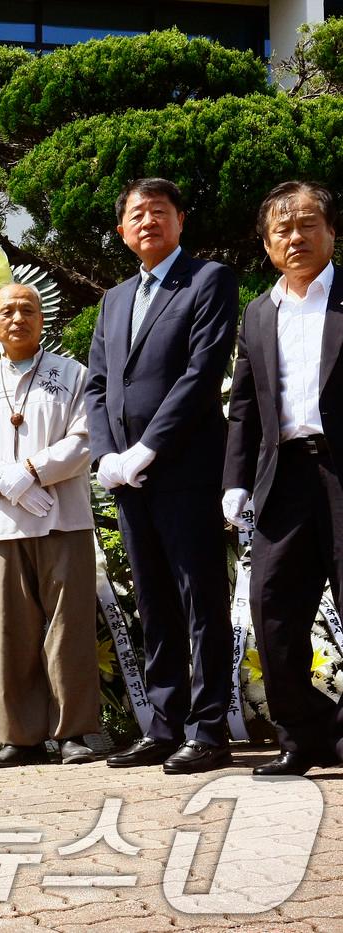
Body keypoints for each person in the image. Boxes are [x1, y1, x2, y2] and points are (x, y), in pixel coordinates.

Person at [86, 177, 238, 774]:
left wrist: (147, 448)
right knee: (153, 602)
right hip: (127, 477)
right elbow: (98, 383)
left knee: (200, 599)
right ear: (122, 231)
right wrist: (106, 456)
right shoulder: (114, 298)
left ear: (180, 220)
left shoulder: (207, 280)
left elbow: (202, 374)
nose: (147, 222)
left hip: (185, 469)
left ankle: (208, 730)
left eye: (159, 212)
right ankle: (164, 724)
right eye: (136, 215)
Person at [0, 284, 100, 767]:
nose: (17, 318)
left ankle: (74, 732)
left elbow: (85, 438)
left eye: (27, 310)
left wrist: (34, 470)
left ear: (43, 320)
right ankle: (20, 736)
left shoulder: (71, 374)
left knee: (68, 626)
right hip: (1, 522)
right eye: (6, 311)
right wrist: (8, 482)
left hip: (62, 518)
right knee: (8, 630)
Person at [224, 181, 343, 777]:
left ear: (330, 231)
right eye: (281, 229)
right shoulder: (258, 311)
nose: (294, 237)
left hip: (341, 474)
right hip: (282, 477)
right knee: (272, 609)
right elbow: (245, 404)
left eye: (306, 225)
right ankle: (302, 738)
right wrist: (235, 482)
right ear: (267, 244)